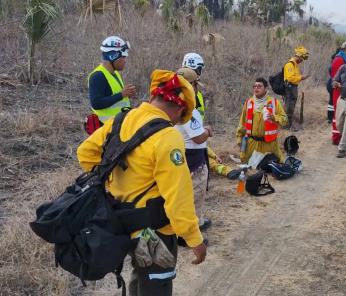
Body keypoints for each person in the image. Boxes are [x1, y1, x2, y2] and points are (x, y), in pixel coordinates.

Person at [77, 69, 207, 296]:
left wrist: (116, 182)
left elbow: (86, 153)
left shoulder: (122, 118)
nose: (178, 121)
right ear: (178, 108)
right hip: (155, 232)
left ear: (152, 97)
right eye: (181, 116)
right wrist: (194, 239)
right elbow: (178, 197)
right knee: (156, 285)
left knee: (139, 276)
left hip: (120, 223)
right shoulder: (168, 136)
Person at [182, 53, 242, 180]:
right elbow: (195, 135)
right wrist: (207, 131)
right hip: (188, 143)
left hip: (194, 137)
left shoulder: (193, 92)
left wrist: (211, 153)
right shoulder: (185, 93)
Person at [176, 67, 212, 232]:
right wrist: (207, 131)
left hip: (181, 155)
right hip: (193, 159)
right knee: (195, 196)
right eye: (195, 85)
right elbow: (197, 138)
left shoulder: (172, 103)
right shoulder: (188, 108)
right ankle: (193, 232)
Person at [236, 77, 288, 163]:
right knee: (248, 166)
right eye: (254, 86)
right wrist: (239, 137)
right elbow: (242, 123)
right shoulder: (248, 102)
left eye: (259, 86)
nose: (256, 88)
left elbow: (285, 120)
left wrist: (274, 117)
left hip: (269, 145)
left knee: (274, 166)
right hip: (251, 144)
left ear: (266, 89)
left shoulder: (274, 102)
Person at [88, 36, 136, 124]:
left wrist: (127, 94)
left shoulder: (115, 73)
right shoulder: (97, 76)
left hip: (118, 125)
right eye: (123, 57)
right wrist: (122, 94)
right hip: (106, 129)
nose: (125, 61)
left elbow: (114, 96)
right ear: (113, 56)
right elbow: (96, 104)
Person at [330, 40, 346, 145]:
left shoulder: (343, 59)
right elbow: (336, 78)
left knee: (341, 114)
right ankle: (336, 138)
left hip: (342, 90)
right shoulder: (339, 60)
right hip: (338, 90)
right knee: (338, 114)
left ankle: (340, 137)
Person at [283, 46, 310, 129]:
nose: (302, 61)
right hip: (289, 89)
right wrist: (301, 78)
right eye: (301, 59)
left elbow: (295, 77)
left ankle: (289, 125)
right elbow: (290, 78)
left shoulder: (295, 65)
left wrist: (301, 77)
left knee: (291, 107)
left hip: (293, 88)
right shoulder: (289, 65)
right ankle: (286, 126)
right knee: (288, 108)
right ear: (298, 56)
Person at [326, 48, 341, 124]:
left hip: (329, 82)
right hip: (334, 83)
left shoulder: (333, 60)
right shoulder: (339, 60)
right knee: (334, 100)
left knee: (331, 100)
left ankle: (329, 118)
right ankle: (333, 117)